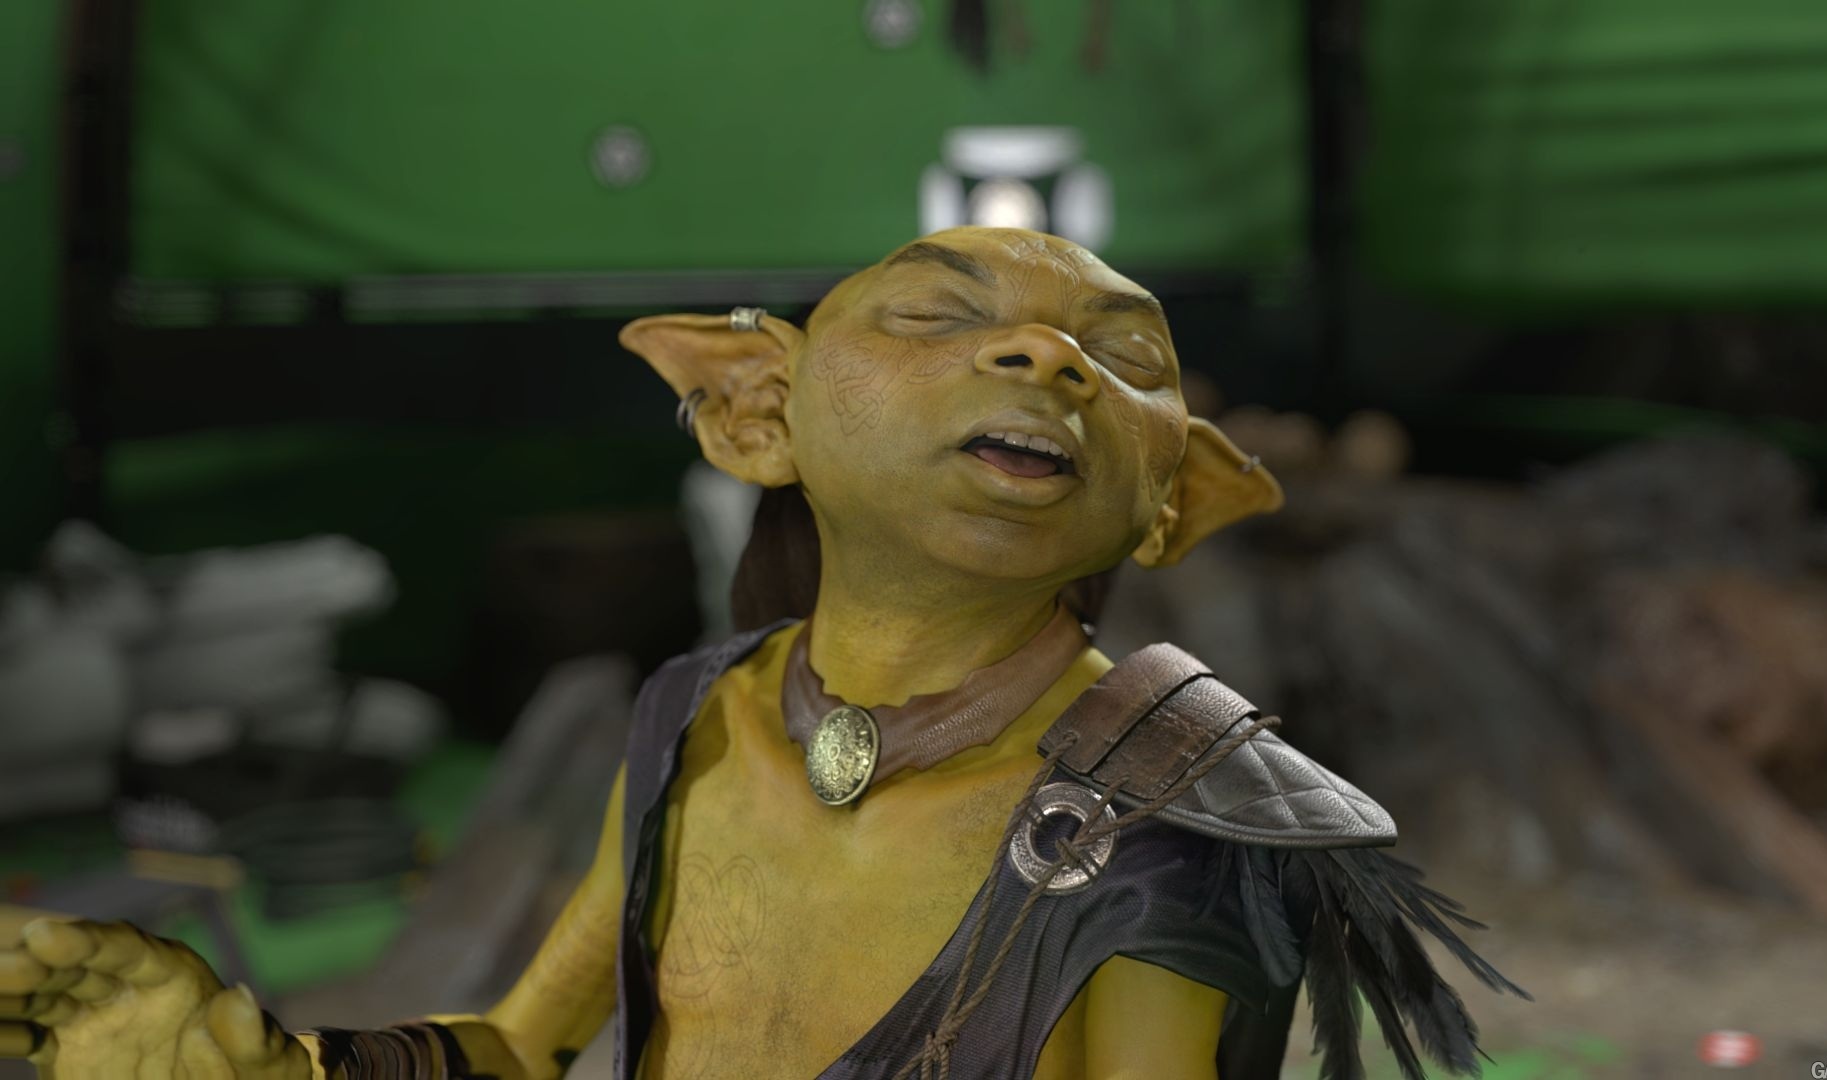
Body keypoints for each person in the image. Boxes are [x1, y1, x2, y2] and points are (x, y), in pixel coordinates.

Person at [0, 227, 1523, 1079]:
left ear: (1171, 498)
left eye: (1120, 358)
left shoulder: (1168, 819)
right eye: (936, 316)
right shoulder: (697, 716)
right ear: (753, 413)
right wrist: (267, 1066)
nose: (1044, 357)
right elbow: (526, 1049)